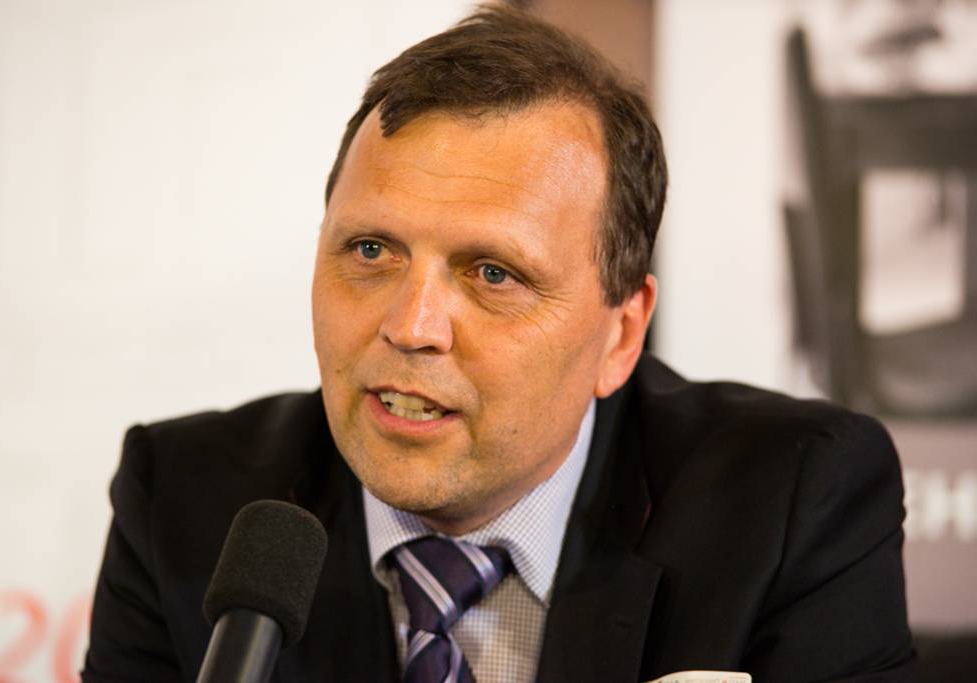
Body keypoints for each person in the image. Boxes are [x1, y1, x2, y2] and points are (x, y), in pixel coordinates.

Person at [81, 5, 916, 682]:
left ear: (621, 334)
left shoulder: (793, 502)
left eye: (493, 273)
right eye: (370, 250)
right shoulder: (184, 502)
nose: (411, 326)